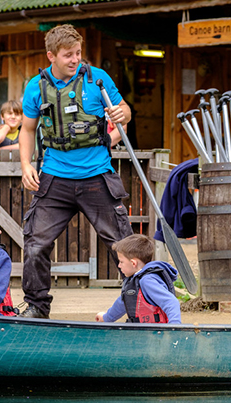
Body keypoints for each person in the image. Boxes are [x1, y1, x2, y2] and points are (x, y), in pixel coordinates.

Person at [17, 24, 134, 319]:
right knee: (35, 244)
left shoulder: (98, 79)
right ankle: (36, 307)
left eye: (78, 53)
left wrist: (123, 113)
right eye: (68, 55)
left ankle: (141, 304)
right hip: (55, 177)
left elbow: (125, 112)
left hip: (96, 175)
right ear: (51, 56)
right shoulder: (36, 87)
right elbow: (27, 129)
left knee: (124, 244)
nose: (75, 60)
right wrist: (26, 164)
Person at [95, 234, 181, 324]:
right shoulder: (134, 282)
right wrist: (105, 318)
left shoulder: (147, 280)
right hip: (144, 333)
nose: (119, 266)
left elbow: (171, 302)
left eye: (121, 262)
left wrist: (174, 327)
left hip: (158, 334)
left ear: (133, 263)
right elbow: (122, 303)